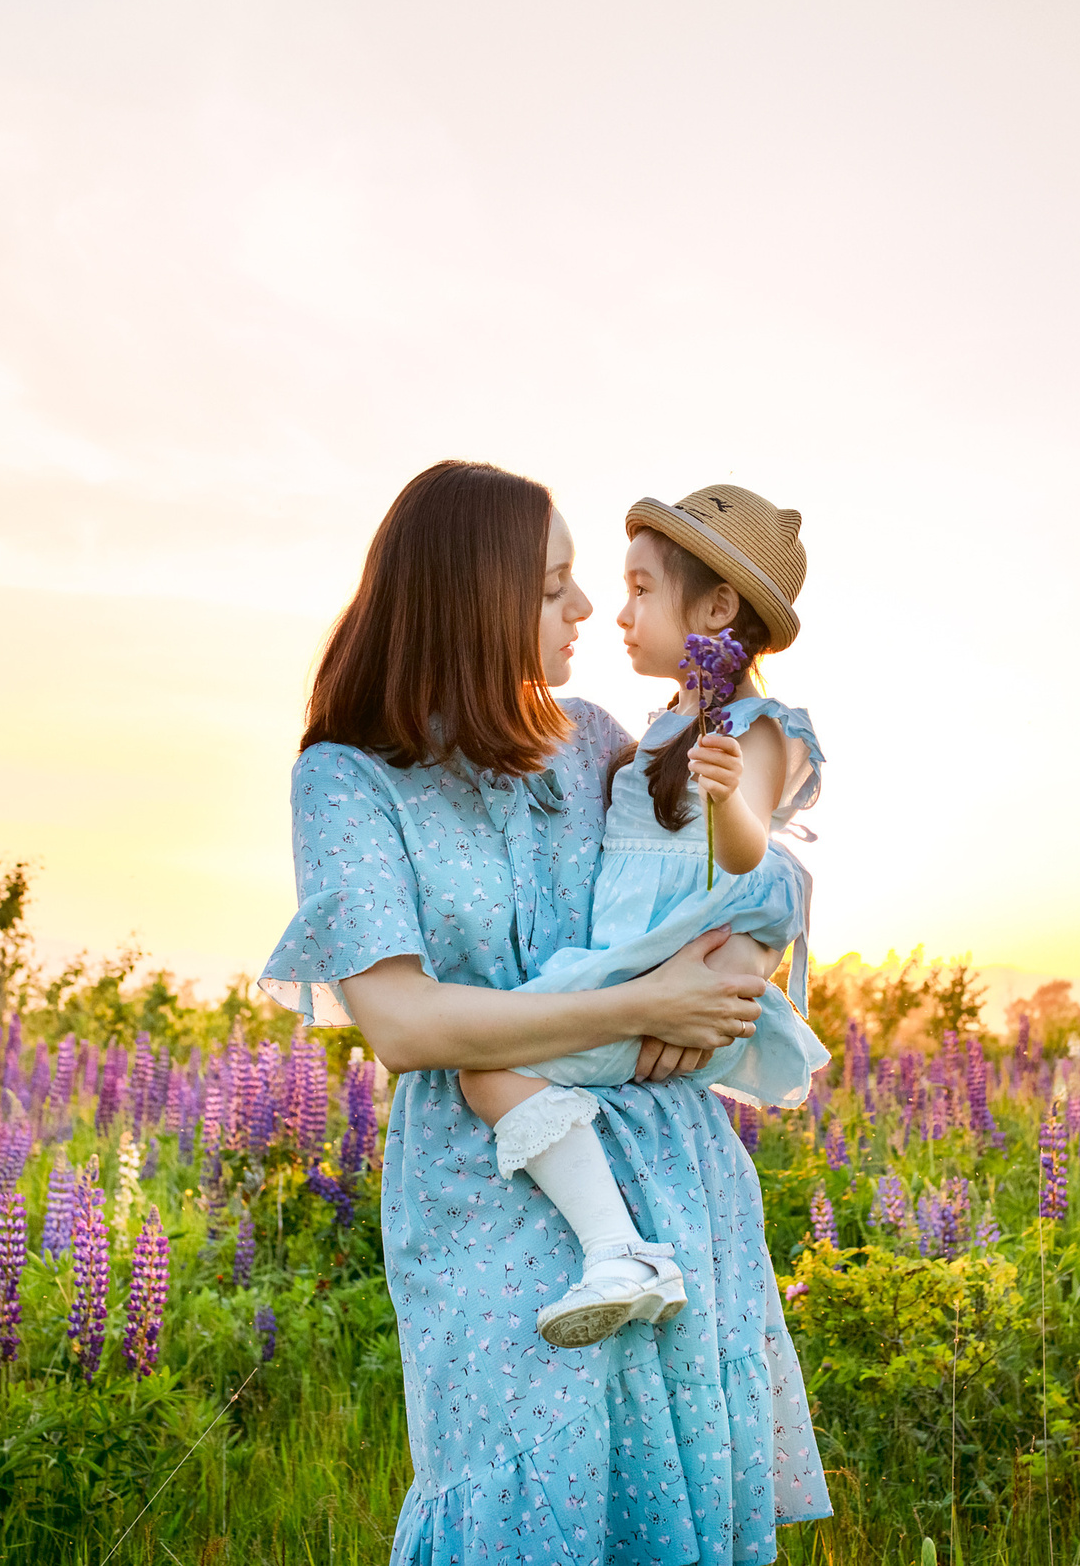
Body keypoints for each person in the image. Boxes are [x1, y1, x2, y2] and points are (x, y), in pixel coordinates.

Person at [260, 460, 831, 1560]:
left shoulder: (594, 739)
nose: (586, 608)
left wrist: (733, 974)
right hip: (486, 1186)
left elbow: (747, 868)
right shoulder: (346, 778)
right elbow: (402, 1024)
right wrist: (648, 1001)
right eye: (553, 586)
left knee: (665, 1489)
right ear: (470, 599)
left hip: (670, 1165)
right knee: (519, 1495)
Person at [459, 484, 829, 1348]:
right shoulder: (662, 728)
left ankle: (619, 1252)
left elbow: (748, 855)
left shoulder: (756, 728)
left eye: (641, 590)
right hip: (632, 975)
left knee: (487, 1066)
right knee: (497, 1062)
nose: (617, 613)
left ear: (718, 609)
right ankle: (623, 1249)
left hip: (671, 980)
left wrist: (729, 797)